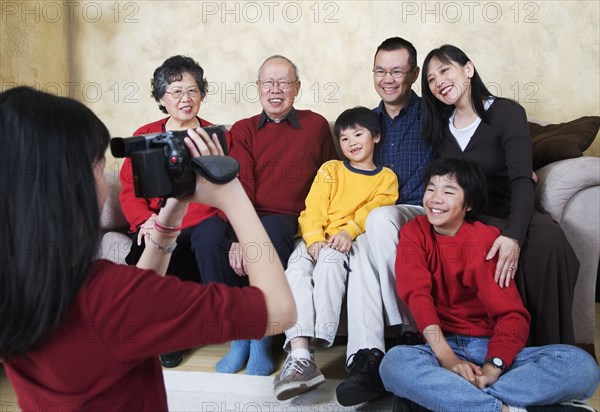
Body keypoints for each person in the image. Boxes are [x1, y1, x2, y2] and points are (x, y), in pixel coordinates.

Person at [0, 86, 296, 410]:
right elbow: (280, 309)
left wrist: (170, 214)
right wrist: (233, 196)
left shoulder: (19, 288)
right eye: (98, 166)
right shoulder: (107, 295)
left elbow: (133, 300)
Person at [379, 158, 599, 412]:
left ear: (468, 204)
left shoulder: (483, 240)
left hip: (490, 346)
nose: (435, 199)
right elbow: (417, 295)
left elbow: (511, 315)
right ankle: (504, 409)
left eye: (448, 191)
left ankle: (457, 401)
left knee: (580, 365)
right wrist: (449, 360)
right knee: (394, 363)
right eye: (431, 188)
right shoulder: (414, 231)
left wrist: (492, 368)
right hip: (440, 346)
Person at [420, 44, 579, 347]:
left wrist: (513, 236)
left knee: (547, 239)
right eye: (430, 80)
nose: (438, 81)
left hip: (509, 209)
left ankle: (553, 350)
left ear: (468, 69)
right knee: (484, 247)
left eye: (444, 70)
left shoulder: (507, 112)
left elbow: (522, 177)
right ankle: (505, 348)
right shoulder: (440, 128)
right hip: (469, 216)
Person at [192, 55, 338, 376]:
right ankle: (238, 333)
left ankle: (261, 335)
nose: (276, 89)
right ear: (258, 88)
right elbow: (240, 182)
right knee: (206, 237)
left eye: (283, 82)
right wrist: (239, 234)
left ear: (296, 88)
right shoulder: (243, 129)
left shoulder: (315, 126)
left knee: (271, 237)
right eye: (268, 83)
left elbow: (332, 175)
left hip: (283, 216)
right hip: (245, 209)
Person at [336, 37, 437, 406]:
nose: (388, 78)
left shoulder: (435, 113)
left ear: (412, 73)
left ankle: (409, 331)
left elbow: (471, 142)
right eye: (381, 70)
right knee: (362, 250)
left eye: (397, 71)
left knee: (379, 219)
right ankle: (367, 358)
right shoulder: (367, 123)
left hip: (422, 212)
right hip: (376, 221)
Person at [273, 107, 399, 400]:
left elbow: (374, 211)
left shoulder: (386, 178)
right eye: (344, 138)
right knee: (296, 270)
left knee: (330, 264)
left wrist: (348, 232)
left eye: (358, 134)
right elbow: (313, 207)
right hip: (312, 238)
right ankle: (301, 353)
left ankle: (320, 336)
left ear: (376, 137)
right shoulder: (331, 169)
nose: (352, 142)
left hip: (345, 242)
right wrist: (314, 238)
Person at [119, 55, 227, 367]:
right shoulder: (145, 134)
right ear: (162, 98)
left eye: (193, 91)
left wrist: (172, 225)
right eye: (176, 91)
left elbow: (222, 190)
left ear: (202, 94)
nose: (185, 99)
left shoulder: (217, 135)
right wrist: (145, 220)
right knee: (155, 247)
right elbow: (129, 188)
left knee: (179, 243)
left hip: (200, 222)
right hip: (153, 221)